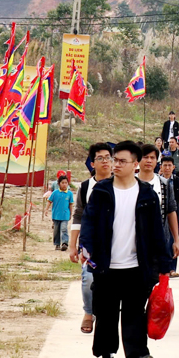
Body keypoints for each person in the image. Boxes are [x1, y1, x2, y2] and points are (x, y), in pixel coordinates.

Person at [79, 140, 171, 358]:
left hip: (136, 266)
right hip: (105, 264)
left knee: (134, 314)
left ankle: (138, 357)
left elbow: (156, 232)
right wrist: (86, 250)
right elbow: (88, 223)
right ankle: (105, 357)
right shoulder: (101, 191)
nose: (115, 164)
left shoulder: (147, 194)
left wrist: (163, 262)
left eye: (121, 161)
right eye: (113, 159)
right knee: (106, 313)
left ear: (135, 164)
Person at [70, 142, 113, 335]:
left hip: (116, 244)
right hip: (91, 245)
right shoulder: (86, 187)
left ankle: (108, 317)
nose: (105, 161)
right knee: (88, 280)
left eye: (108, 157)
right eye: (100, 158)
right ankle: (88, 312)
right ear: (92, 163)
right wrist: (73, 245)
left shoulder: (121, 183)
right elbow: (78, 215)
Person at [138, 144, 179, 277]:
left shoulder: (164, 183)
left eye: (152, 157)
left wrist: (176, 240)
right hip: (135, 240)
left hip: (160, 239)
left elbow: (171, 210)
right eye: (145, 157)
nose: (149, 161)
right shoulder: (131, 182)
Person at [49, 174, 73, 250]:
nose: (64, 184)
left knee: (64, 228)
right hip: (56, 215)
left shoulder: (69, 193)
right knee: (56, 230)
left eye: (66, 183)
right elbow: (49, 201)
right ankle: (57, 244)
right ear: (59, 184)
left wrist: (71, 213)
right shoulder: (55, 192)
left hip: (65, 215)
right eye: (62, 183)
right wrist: (46, 210)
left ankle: (65, 243)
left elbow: (71, 204)